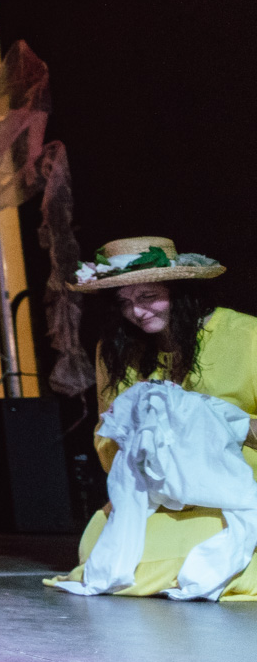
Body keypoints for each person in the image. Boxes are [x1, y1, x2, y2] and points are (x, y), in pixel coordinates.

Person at [48, 236, 257, 600]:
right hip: (158, 496)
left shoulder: (246, 336)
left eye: (148, 296)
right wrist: (136, 426)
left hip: (236, 490)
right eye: (124, 302)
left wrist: (207, 420)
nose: (137, 312)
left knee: (206, 553)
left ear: (180, 292)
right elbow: (106, 439)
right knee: (103, 552)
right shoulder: (116, 349)